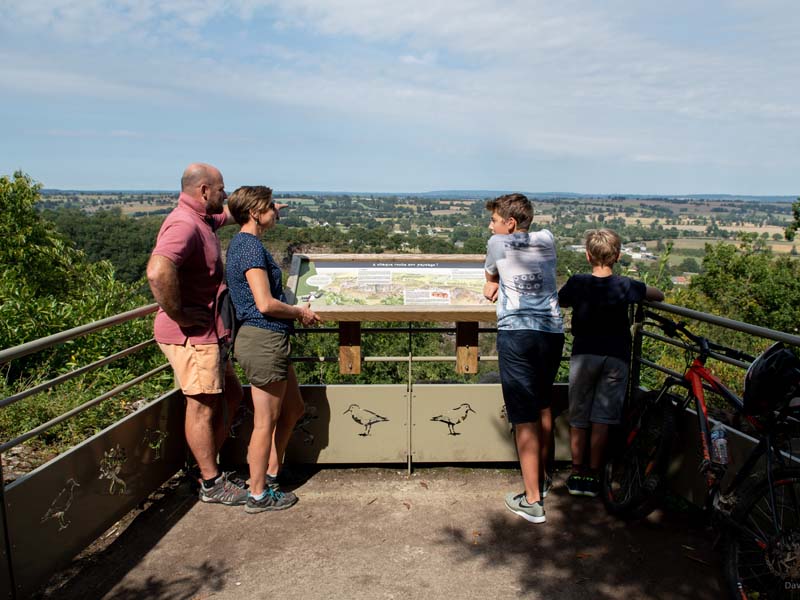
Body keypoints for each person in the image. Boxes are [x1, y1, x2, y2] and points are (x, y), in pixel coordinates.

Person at [147, 163, 247, 505]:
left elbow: (227, 216)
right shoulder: (184, 224)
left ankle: (204, 466)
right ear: (204, 190)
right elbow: (158, 271)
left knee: (231, 395)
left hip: (209, 333)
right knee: (202, 405)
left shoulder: (202, 219)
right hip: (193, 336)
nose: (225, 194)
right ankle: (210, 482)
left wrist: (264, 208)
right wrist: (180, 315)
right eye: (221, 189)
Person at [225, 185, 321, 514]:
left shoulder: (242, 242)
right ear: (254, 213)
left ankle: (270, 472)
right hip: (263, 338)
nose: (275, 213)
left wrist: (272, 208)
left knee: (292, 408)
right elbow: (264, 303)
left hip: (269, 340)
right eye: (270, 208)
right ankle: (257, 494)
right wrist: (301, 312)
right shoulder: (250, 249)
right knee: (265, 420)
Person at [558, 228, 664, 498]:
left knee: (579, 416)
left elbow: (561, 299)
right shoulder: (626, 286)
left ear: (587, 255)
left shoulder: (578, 283)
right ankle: (595, 473)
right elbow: (657, 294)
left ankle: (577, 471)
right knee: (602, 418)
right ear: (617, 256)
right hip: (616, 357)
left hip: (584, 355)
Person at [483, 193, 564, 524]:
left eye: (495, 220)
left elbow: (490, 282)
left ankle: (532, 501)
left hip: (517, 332)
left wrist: (493, 282)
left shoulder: (496, 244)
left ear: (510, 223)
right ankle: (542, 481)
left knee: (523, 416)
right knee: (543, 404)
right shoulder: (547, 239)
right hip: (551, 331)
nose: (490, 225)